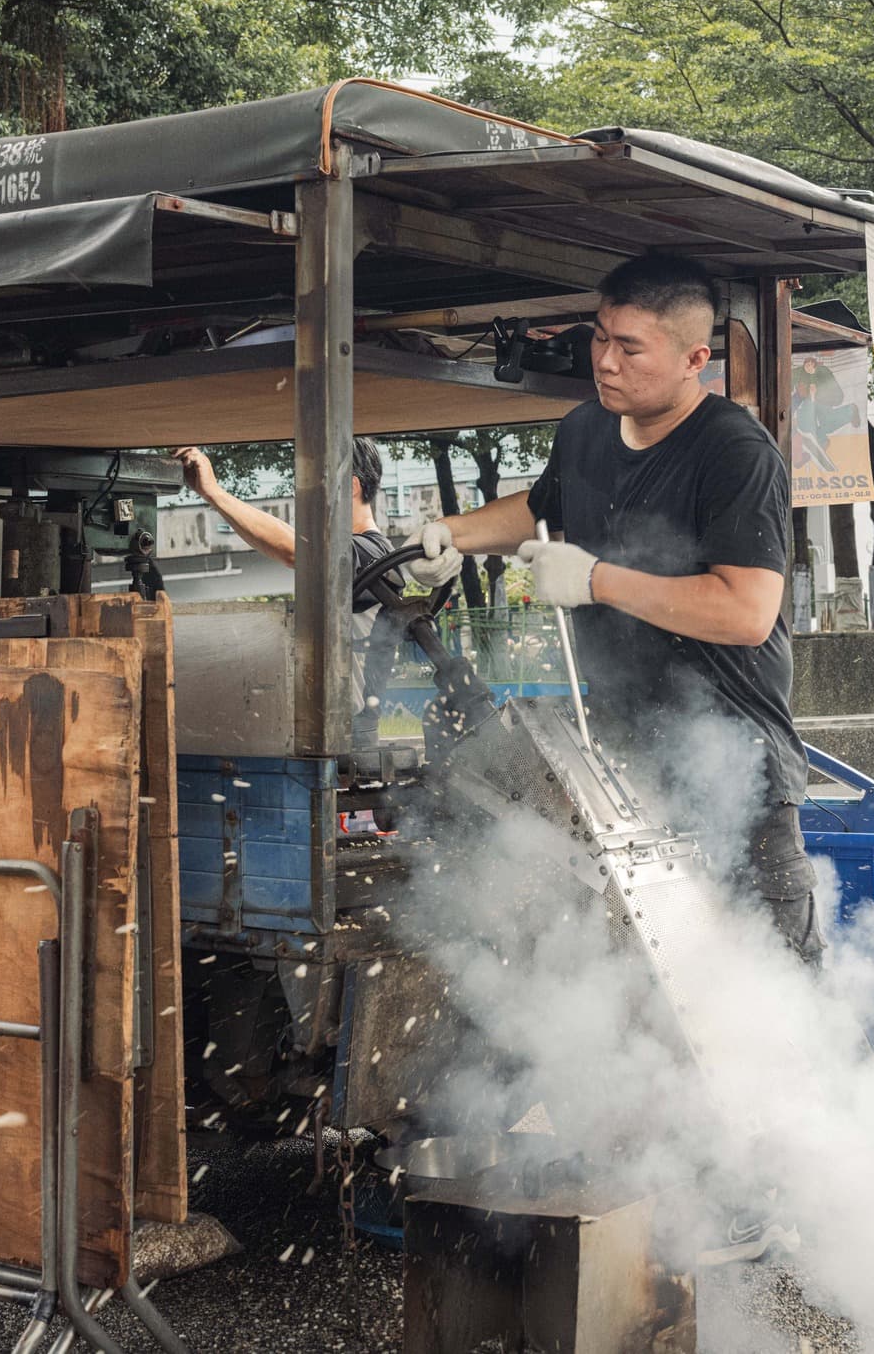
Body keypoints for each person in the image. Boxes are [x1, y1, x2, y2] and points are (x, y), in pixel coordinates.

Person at [402, 253, 822, 963]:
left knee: (773, 986)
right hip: (619, 769)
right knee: (640, 987)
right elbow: (543, 509)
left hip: (735, 773)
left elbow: (746, 611)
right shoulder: (586, 430)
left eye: (630, 347)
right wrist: (453, 533)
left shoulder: (734, 451)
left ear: (694, 359)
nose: (605, 361)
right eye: (600, 337)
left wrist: (597, 579)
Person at [174, 438, 401, 752]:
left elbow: (297, 550)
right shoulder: (360, 554)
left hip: (346, 740)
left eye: (315, 484)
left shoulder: (373, 555)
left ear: (350, 487)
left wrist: (214, 492)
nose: (302, 496)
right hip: (328, 734)